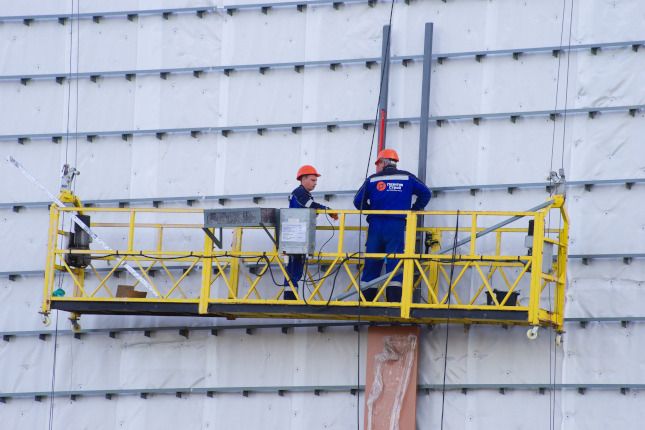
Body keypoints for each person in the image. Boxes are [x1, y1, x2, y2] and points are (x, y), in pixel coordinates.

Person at [353, 149, 431, 302]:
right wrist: (413, 210)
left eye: (377, 164)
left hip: (376, 226)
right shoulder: (407, 177)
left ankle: (365, 306)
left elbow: (357, 201)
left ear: (382, 162)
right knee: (395, 265)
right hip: (396, 226)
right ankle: (394, 305)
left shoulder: (373, 179)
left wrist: (370, 211)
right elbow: (426, 193)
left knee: (371, 263)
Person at [283, 165, 338, 300]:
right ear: (303, 179)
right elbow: (310, 205)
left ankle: (292, 296)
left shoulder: (305, 194)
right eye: (313, 180)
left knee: (297, 267)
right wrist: (327, 210)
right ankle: (289, 298)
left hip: (300, 234)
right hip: (295, 234)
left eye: (315, 181)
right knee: (293, 266)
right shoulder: (299, 193)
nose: (315, 183)